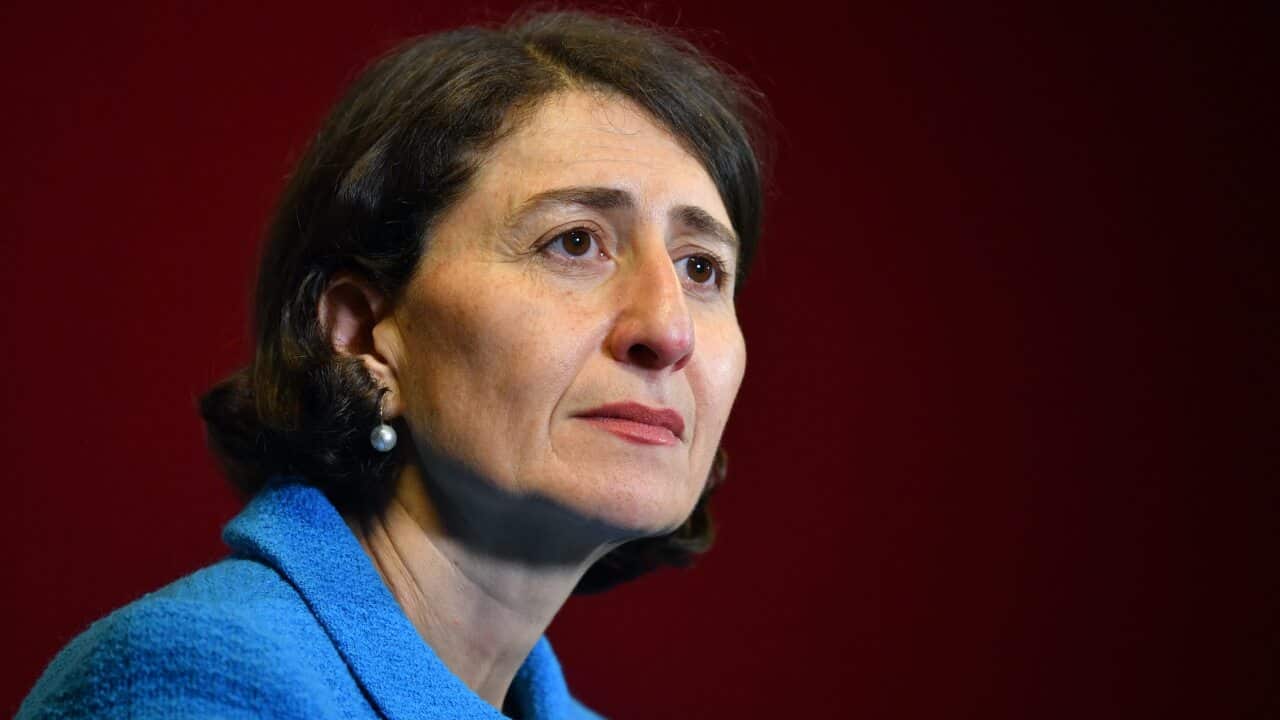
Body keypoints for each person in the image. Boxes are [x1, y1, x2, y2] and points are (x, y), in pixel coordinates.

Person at [18, 9, 766, 719]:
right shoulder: (200, 680)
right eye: (573, 242)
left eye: (702, 269)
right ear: (364, 333)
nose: (669, 330)